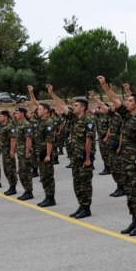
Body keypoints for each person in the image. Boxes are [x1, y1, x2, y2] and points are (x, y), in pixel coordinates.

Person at [98, 76, 136, 235]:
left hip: (135, 162)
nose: (127, 102)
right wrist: (104, 85)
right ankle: (134, 220)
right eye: (127, 100)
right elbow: (113, 99)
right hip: (125, 161)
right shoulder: (127, 116)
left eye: (130, 101)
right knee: (129, 193)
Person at [47, 85, 95, 219]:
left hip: (83, 157)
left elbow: (88, 141)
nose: (73, 107)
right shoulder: (75, 119)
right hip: (75, 157)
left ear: (83, 108)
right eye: (74, 105)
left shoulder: (88, 121)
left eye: (76, 105)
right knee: (77, 182)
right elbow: (62, 105)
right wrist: (52, 93)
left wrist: (87, 158)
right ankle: (81, 205)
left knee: (85, 183)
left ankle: (86, 207)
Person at [12, 107, 33, 200]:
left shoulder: (26, 125)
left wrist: (27, 151)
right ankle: (26, 190)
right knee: (21, 173)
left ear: (22, 114)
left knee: (26, 173)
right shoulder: (18, 124)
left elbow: (28, 140)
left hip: (24, 152)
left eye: (17, 113)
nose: (15, 114)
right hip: (19, 152)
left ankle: (29, 191)